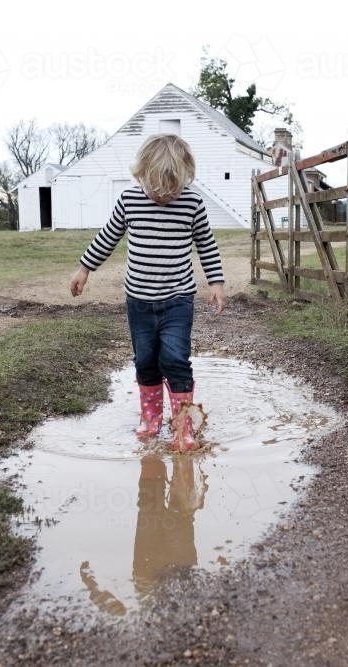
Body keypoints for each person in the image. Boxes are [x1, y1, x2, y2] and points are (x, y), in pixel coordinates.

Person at [70, 133, 226, 452]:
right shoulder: (129, 200)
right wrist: (85, 269)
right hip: (139, 303)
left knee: (175, 359)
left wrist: (217, 282)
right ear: (144, 175)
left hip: (178, 299)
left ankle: (183, 426)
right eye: (157, 188)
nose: (163, 196)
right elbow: (108, 237)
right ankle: (151, 419)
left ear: (183, 177)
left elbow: (206, 245)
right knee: (146, 361)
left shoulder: (192, 203)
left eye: (171, 188)